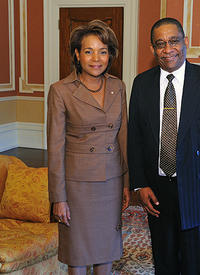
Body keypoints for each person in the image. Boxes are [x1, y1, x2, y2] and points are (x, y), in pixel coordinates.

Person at [128, 18, 200, 275]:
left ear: (185, 41)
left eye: (173, 41)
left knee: (197, 262)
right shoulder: (141, 84)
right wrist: (140, 184)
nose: (168, 49)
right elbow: (135, 138)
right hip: (158, 191)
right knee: (165, 261)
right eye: (160, 44)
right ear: (153, 48)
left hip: (198, 190)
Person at [47, 20, 130, 275]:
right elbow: (55, 148)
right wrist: (58, 198)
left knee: (106, 248)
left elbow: (123, 137)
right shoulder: (60, 91)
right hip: (78, 185)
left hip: (111, 182)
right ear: (76, 54)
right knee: (79, 253)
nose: (97, 58)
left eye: (103, 51)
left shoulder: (118, 86)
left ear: (110, 55)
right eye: (89, 51)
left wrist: (127, 182)